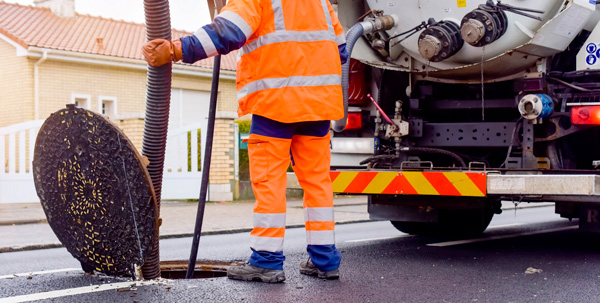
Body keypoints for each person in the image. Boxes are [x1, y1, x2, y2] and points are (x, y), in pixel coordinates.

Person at [142, 0, 347, 283]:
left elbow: (228, 32)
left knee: (269, 182)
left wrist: (176, 49)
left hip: (276, 103)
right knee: (318, 182)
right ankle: (325, 261)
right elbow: (341, 49)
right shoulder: (320, 2)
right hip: (319, 106)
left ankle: (267, 261)